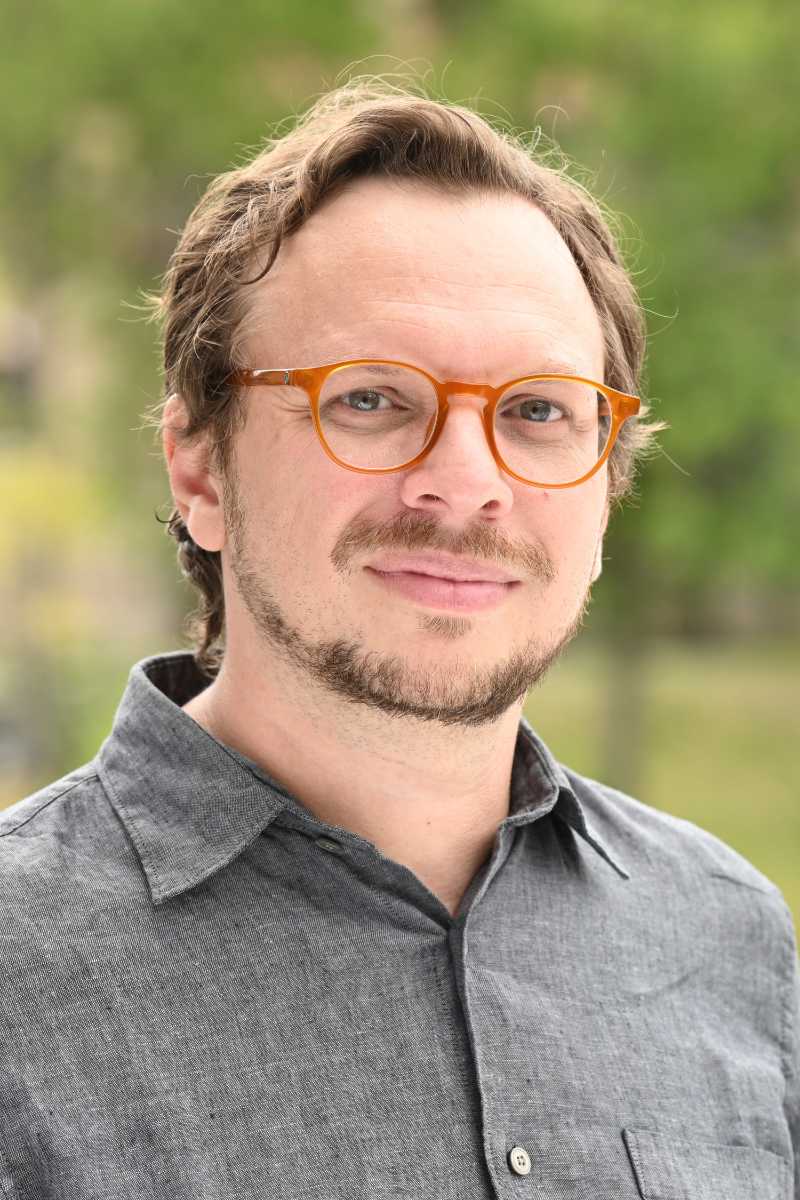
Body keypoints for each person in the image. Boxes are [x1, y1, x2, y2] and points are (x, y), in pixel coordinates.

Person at [2, 79, 797, 1199]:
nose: (465, 485)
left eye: (536, 411)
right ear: (198, 468)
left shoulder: (724, 937)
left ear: (606, 486)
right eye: (370, 399)